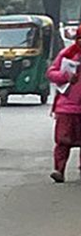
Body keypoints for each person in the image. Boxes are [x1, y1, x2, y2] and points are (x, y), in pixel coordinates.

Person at [46, 33, 81, 182]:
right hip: (66, 107)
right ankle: (59, 170)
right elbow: (51, 73)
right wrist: (65, 76)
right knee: (62, 141)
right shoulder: (67, 54)